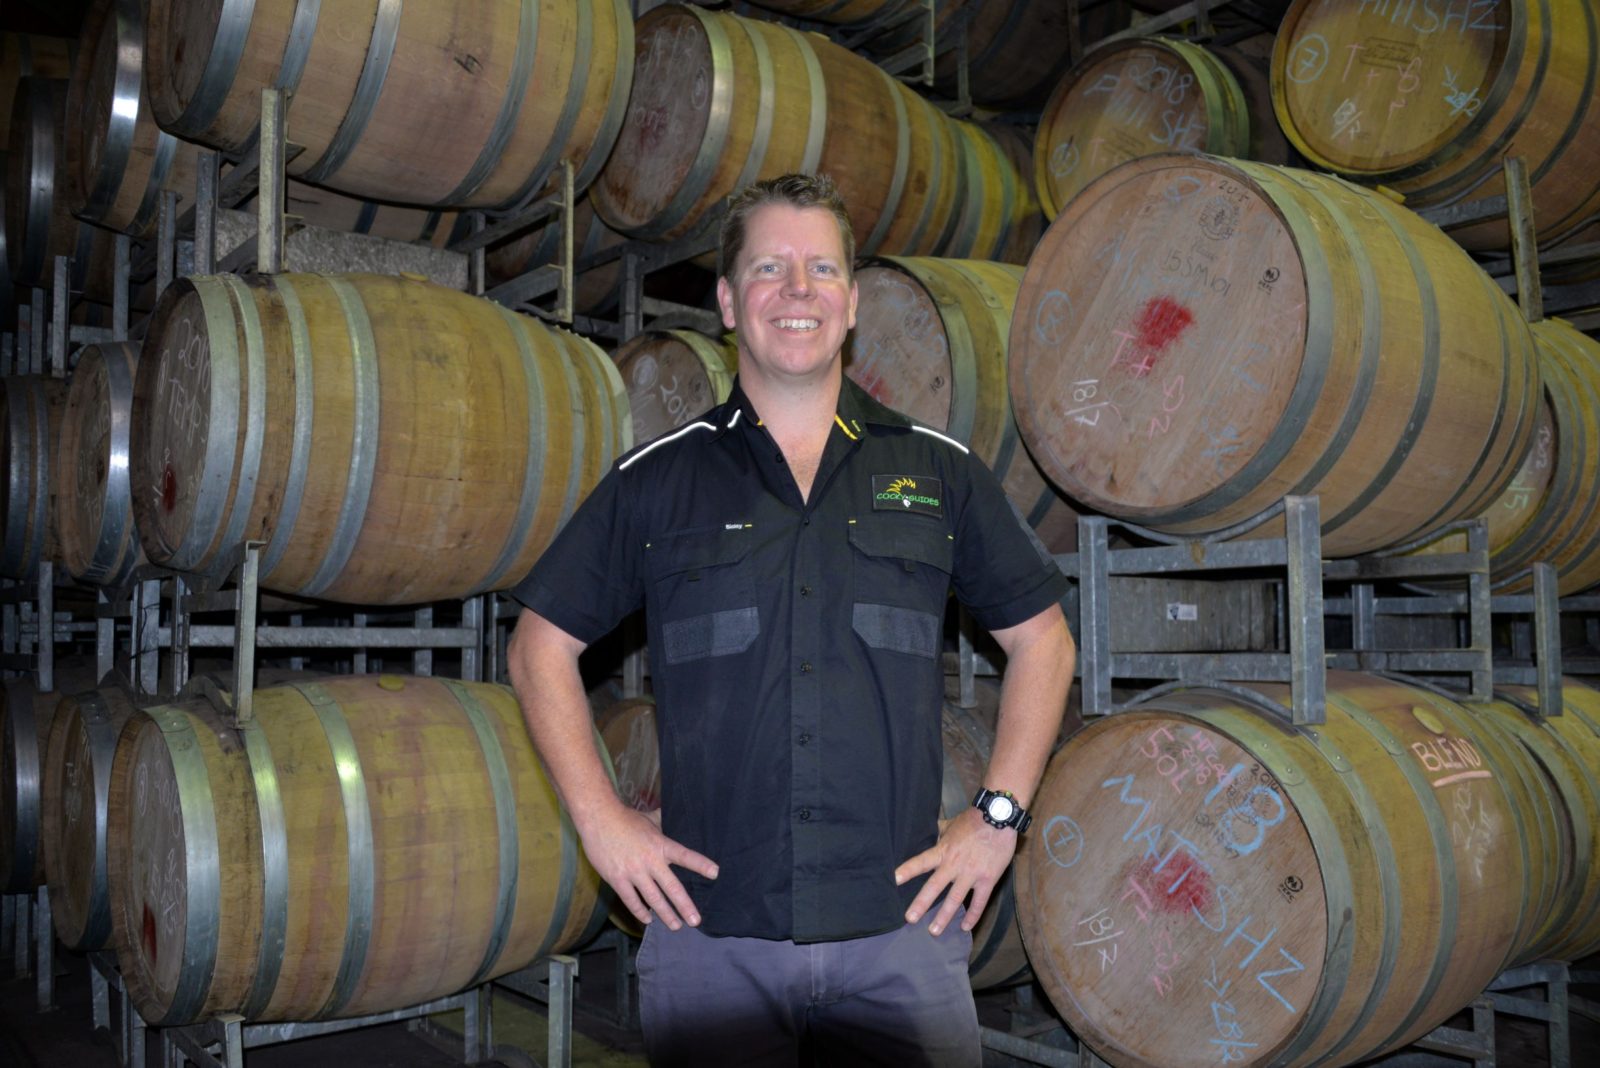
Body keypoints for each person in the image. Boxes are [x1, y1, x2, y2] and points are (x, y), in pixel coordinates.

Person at [508, 173, 1075, 1066]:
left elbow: (1042, 638)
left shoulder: (937, 472)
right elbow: (542, 644)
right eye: (769, 268)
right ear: (730, 303)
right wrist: (600, 819)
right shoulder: (659, 479)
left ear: (852, 303)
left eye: (821, 269)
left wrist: (997, 817)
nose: (797, 290)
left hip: (900, 935)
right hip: (710, 939)